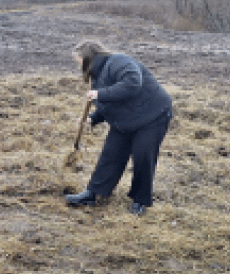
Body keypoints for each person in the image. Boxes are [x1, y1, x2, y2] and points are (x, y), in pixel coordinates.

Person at [65, 40, 174, 216]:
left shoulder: (119, 62)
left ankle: (140, 201)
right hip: (127, 119)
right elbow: (110, 103)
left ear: (88, 58)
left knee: (143, 155)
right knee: (111, 153)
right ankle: (93, 193)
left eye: (78, 60)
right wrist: (93, 118)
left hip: (153, 114)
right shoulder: (98, 77)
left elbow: (132, 83)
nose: (78, 64)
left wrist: (100, 94)